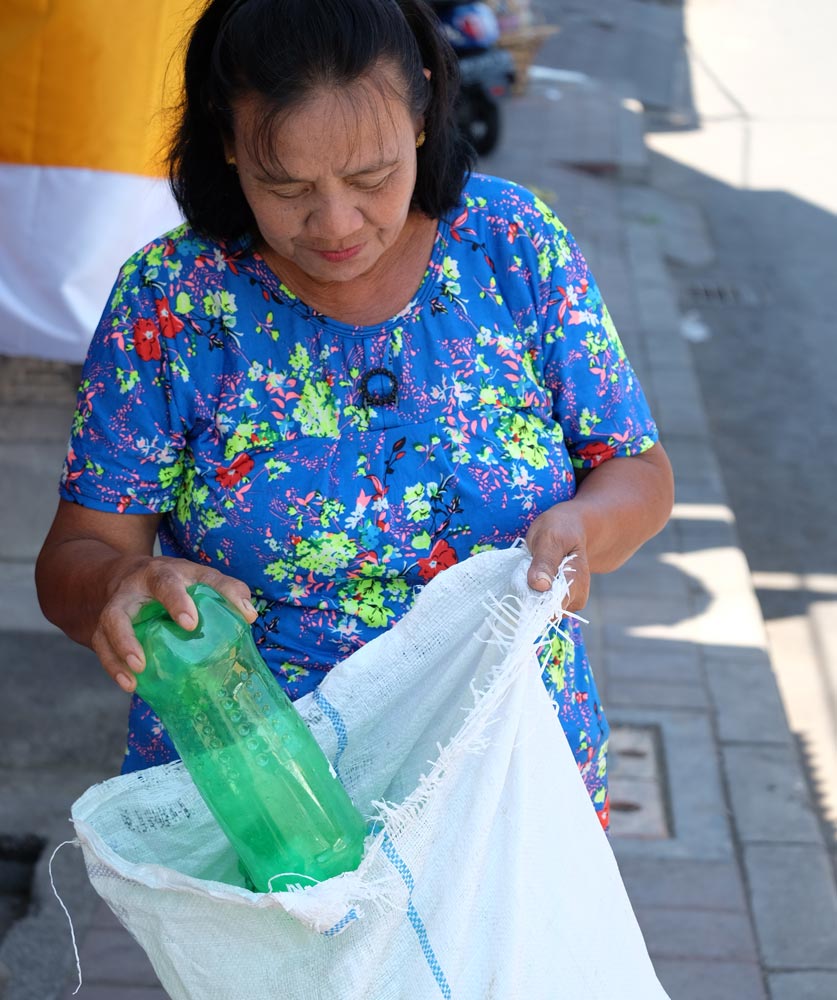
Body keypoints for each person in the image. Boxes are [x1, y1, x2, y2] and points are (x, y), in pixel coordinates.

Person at [35, 0, 674, 830]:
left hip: (503, 773)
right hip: (262, 791)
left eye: (370, 178)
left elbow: (638, 471)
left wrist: (588, 527)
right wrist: (125, 585)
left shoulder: (510, 244)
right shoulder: (171, 301)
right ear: (228, 147)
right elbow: (75, 559)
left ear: (420, 117)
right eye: (286, 186)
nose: (335, 224)